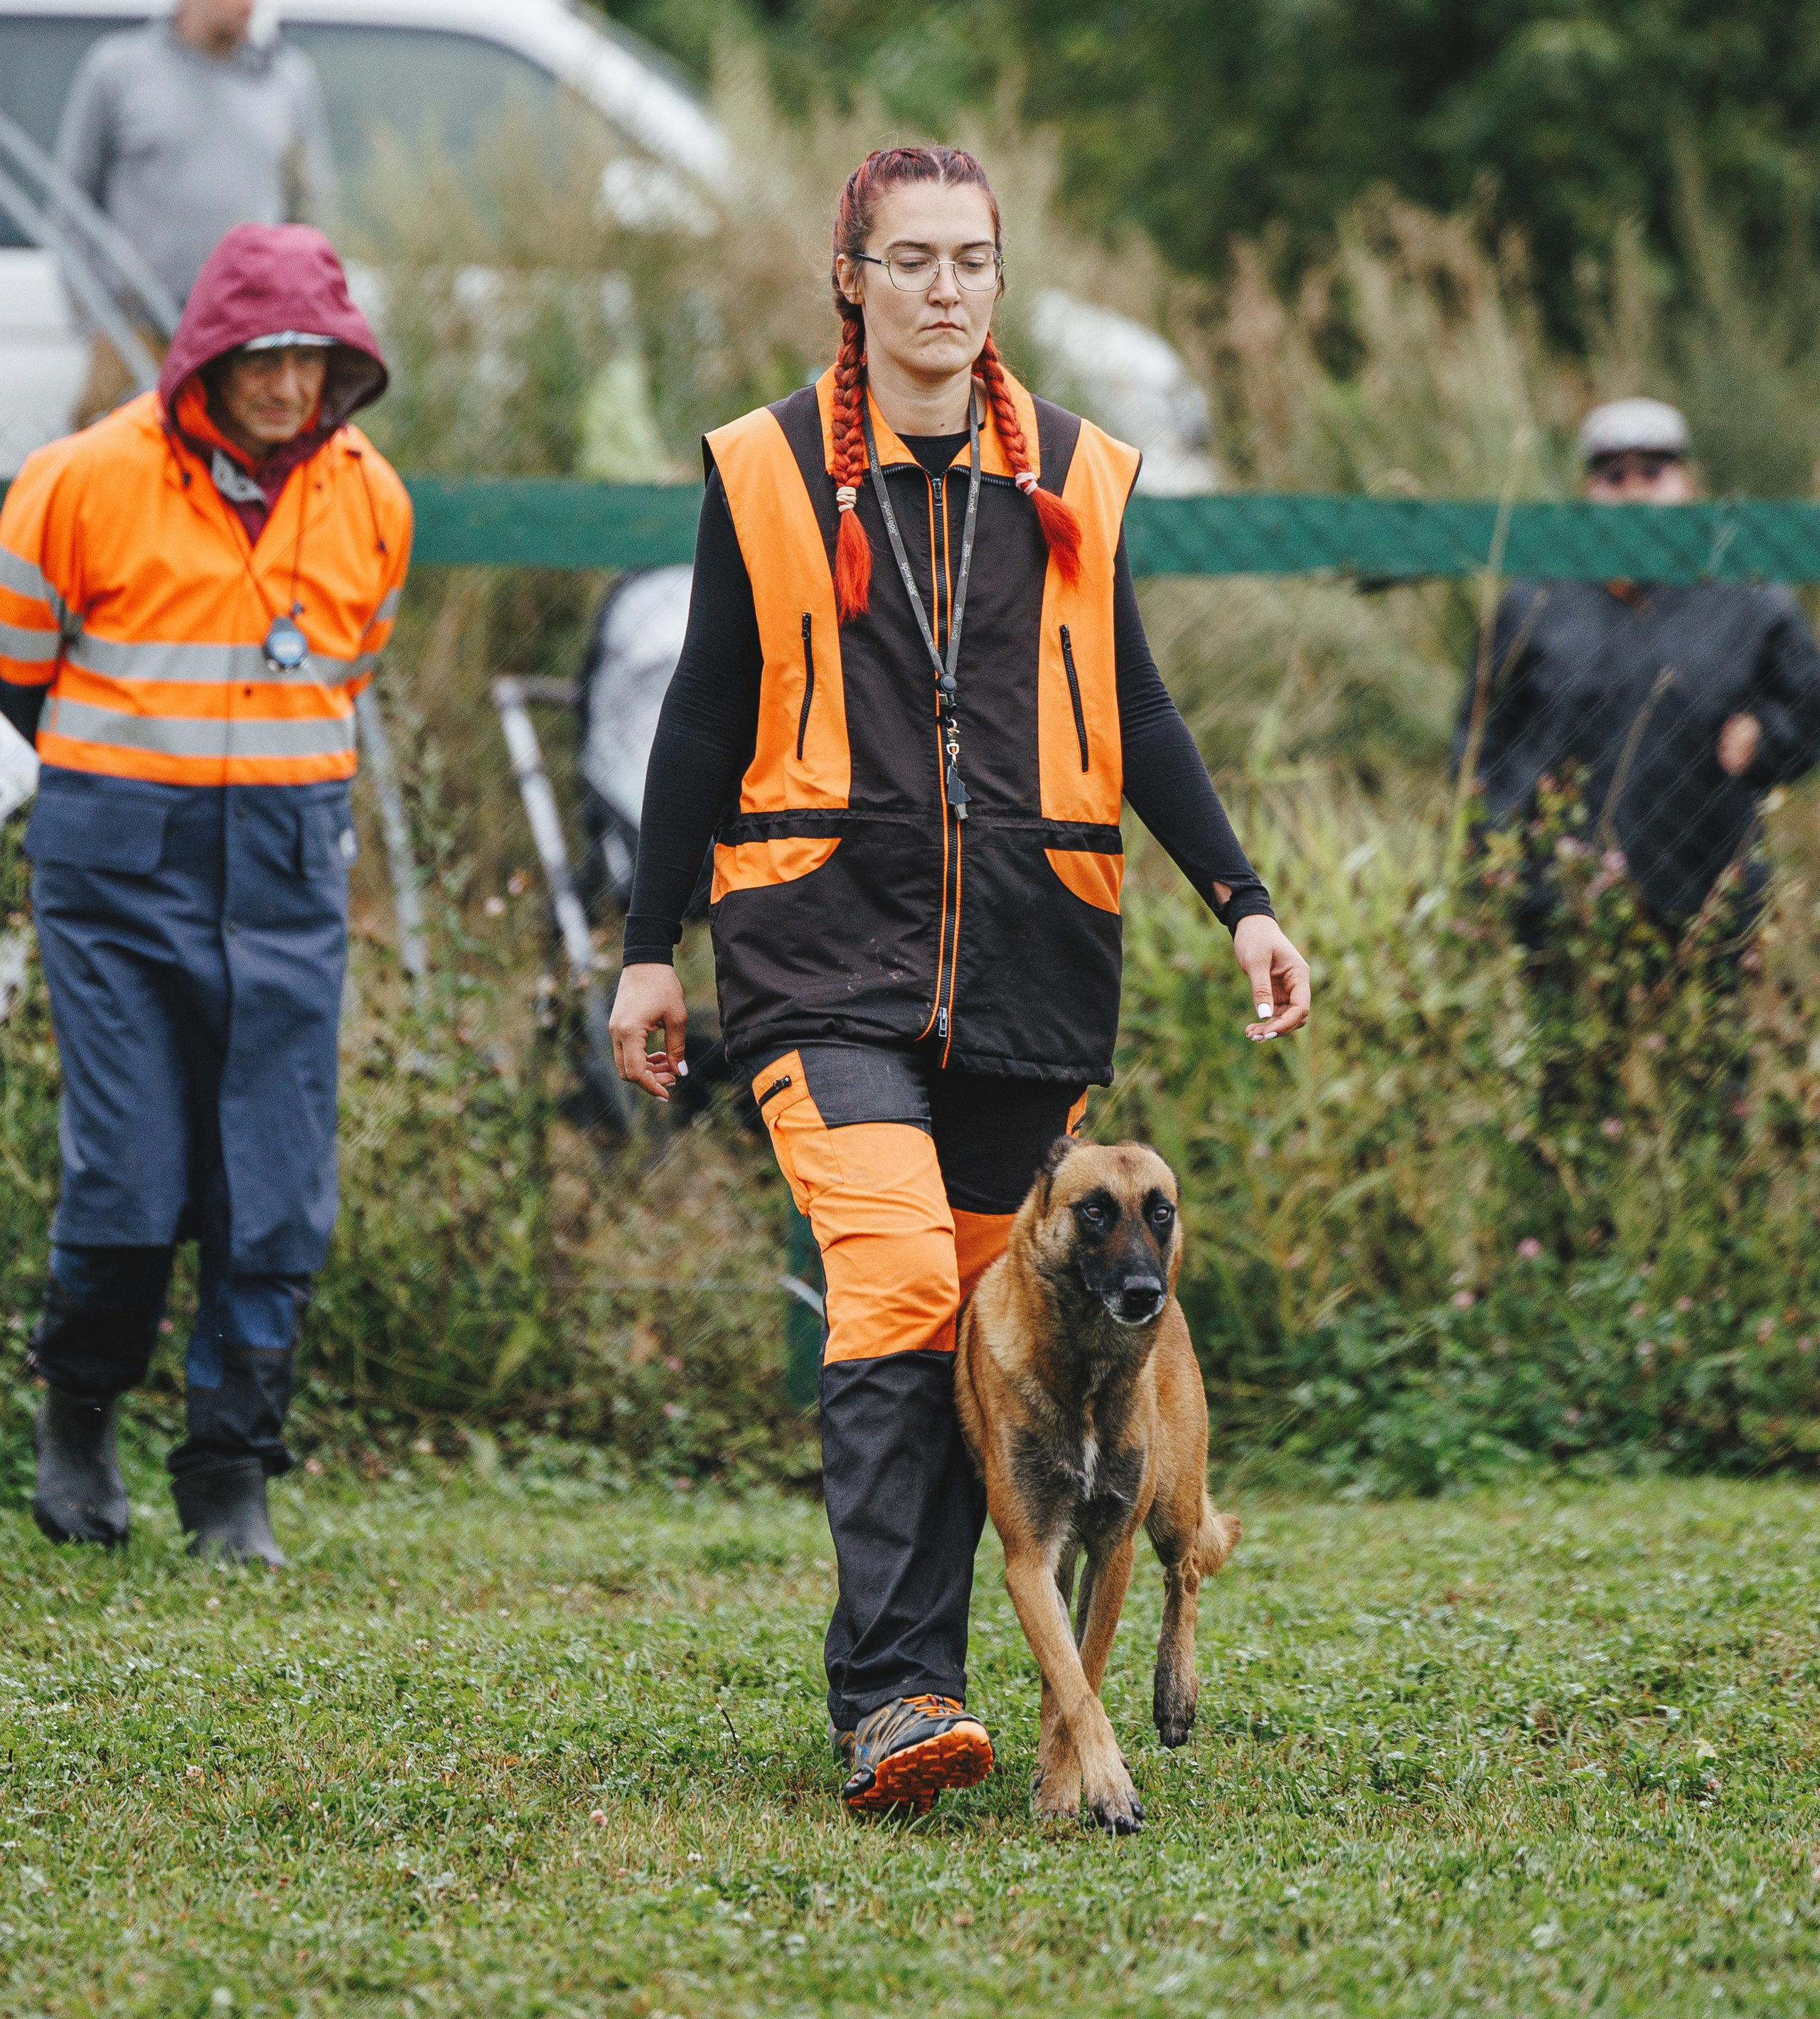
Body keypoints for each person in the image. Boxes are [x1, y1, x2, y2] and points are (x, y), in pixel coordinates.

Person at [609, 144, 1311, 1817]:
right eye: (910, 258)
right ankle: (898, 1694)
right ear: (847, 277)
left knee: (984, 1329)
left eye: (971, 259)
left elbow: (1131, 704)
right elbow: (701, 715)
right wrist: (651, 945)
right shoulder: (767, 469)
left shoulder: (1073, 473)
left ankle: (985, 1679)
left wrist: (1244, 900)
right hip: (812, 955)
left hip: (1027, 967)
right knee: (890, 1280)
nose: (944, 288)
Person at [0, 223, 410, 1564]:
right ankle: (78, 1421)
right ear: (206, 359)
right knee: (130, 1175)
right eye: (262, 359)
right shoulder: (73, 485)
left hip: (288, 877)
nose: (290, 387)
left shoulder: (372, 501)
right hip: (118, 878)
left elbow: (344, 673)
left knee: (276, 1191)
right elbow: (20, 667)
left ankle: (230, 1472)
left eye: (315, 360)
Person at [1458, 397, 1820, 936]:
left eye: (1653, 474)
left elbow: (1808, 708)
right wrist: (1495, 856)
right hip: (1554, 908)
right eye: (1612, 476)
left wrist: (1767, 737)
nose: (1632, 493)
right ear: (1587, 493)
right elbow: (1482, 742)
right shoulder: (1536, 601)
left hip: (1705, 902)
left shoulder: (1749, 598)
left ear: (1688, 484)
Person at [54, 0, 334, 413]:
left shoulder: (287, 81)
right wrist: (96, 319)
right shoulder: (118, 70)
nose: (246, 0)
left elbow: (310, 213)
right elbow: (71, 206)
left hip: (244, 338)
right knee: (113, 473)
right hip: (134, 331)